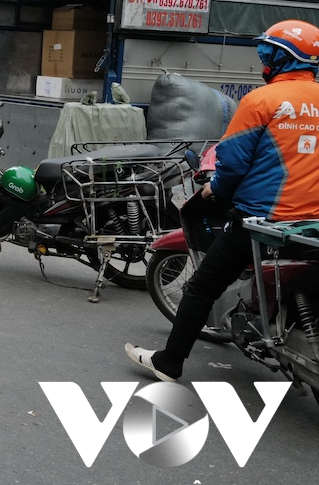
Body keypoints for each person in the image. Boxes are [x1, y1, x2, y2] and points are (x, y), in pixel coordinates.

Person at [126, 20, 319, 383]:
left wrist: (217, 190)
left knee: (201, 287)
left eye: (267, 53)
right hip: (313, 225)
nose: (263, 60)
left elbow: (231, 162)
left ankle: (170, 361)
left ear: (279, 58)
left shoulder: (262, 100)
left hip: (264, 220)